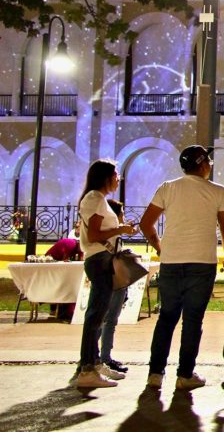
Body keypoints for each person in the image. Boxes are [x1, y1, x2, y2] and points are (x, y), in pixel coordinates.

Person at [139, 145, 224, 391]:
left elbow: (146, 223)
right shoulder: (219, 192)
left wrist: (159, 246)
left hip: (171, 262)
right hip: (202, 264)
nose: (210, 166)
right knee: (193, 320)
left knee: (166, 318)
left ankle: (155, 374)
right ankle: (185, 375)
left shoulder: (168, 188)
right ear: (202, 164)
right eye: (209, 162)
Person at [74, 159, 136, 389]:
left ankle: (95, 364)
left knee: (98, 314)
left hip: (103, 259)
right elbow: (95, 235)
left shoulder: (98, 199)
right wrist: (121, 229)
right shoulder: (94, 199)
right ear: (105, 177)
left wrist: (121, 230)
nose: (118, 178)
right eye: (116, 174)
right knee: (95, 316)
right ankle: (87, 369)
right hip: (99, 259)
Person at [99, 199, 131, 374]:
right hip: (115, 280)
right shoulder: (112, 234)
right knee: (109, 319)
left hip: (110, 278)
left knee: (104, 319)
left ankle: (99, 356)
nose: (124, 216)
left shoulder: (110, 233)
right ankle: (103, 357)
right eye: (122, 212)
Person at [45, 233, 82, 321]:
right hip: (52, 260)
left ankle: (57, 309)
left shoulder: (78, 247)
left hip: (59, 262)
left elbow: (81, 259)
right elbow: (65, 259)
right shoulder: (71, 243)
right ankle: (54, 309)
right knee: (57, 283)